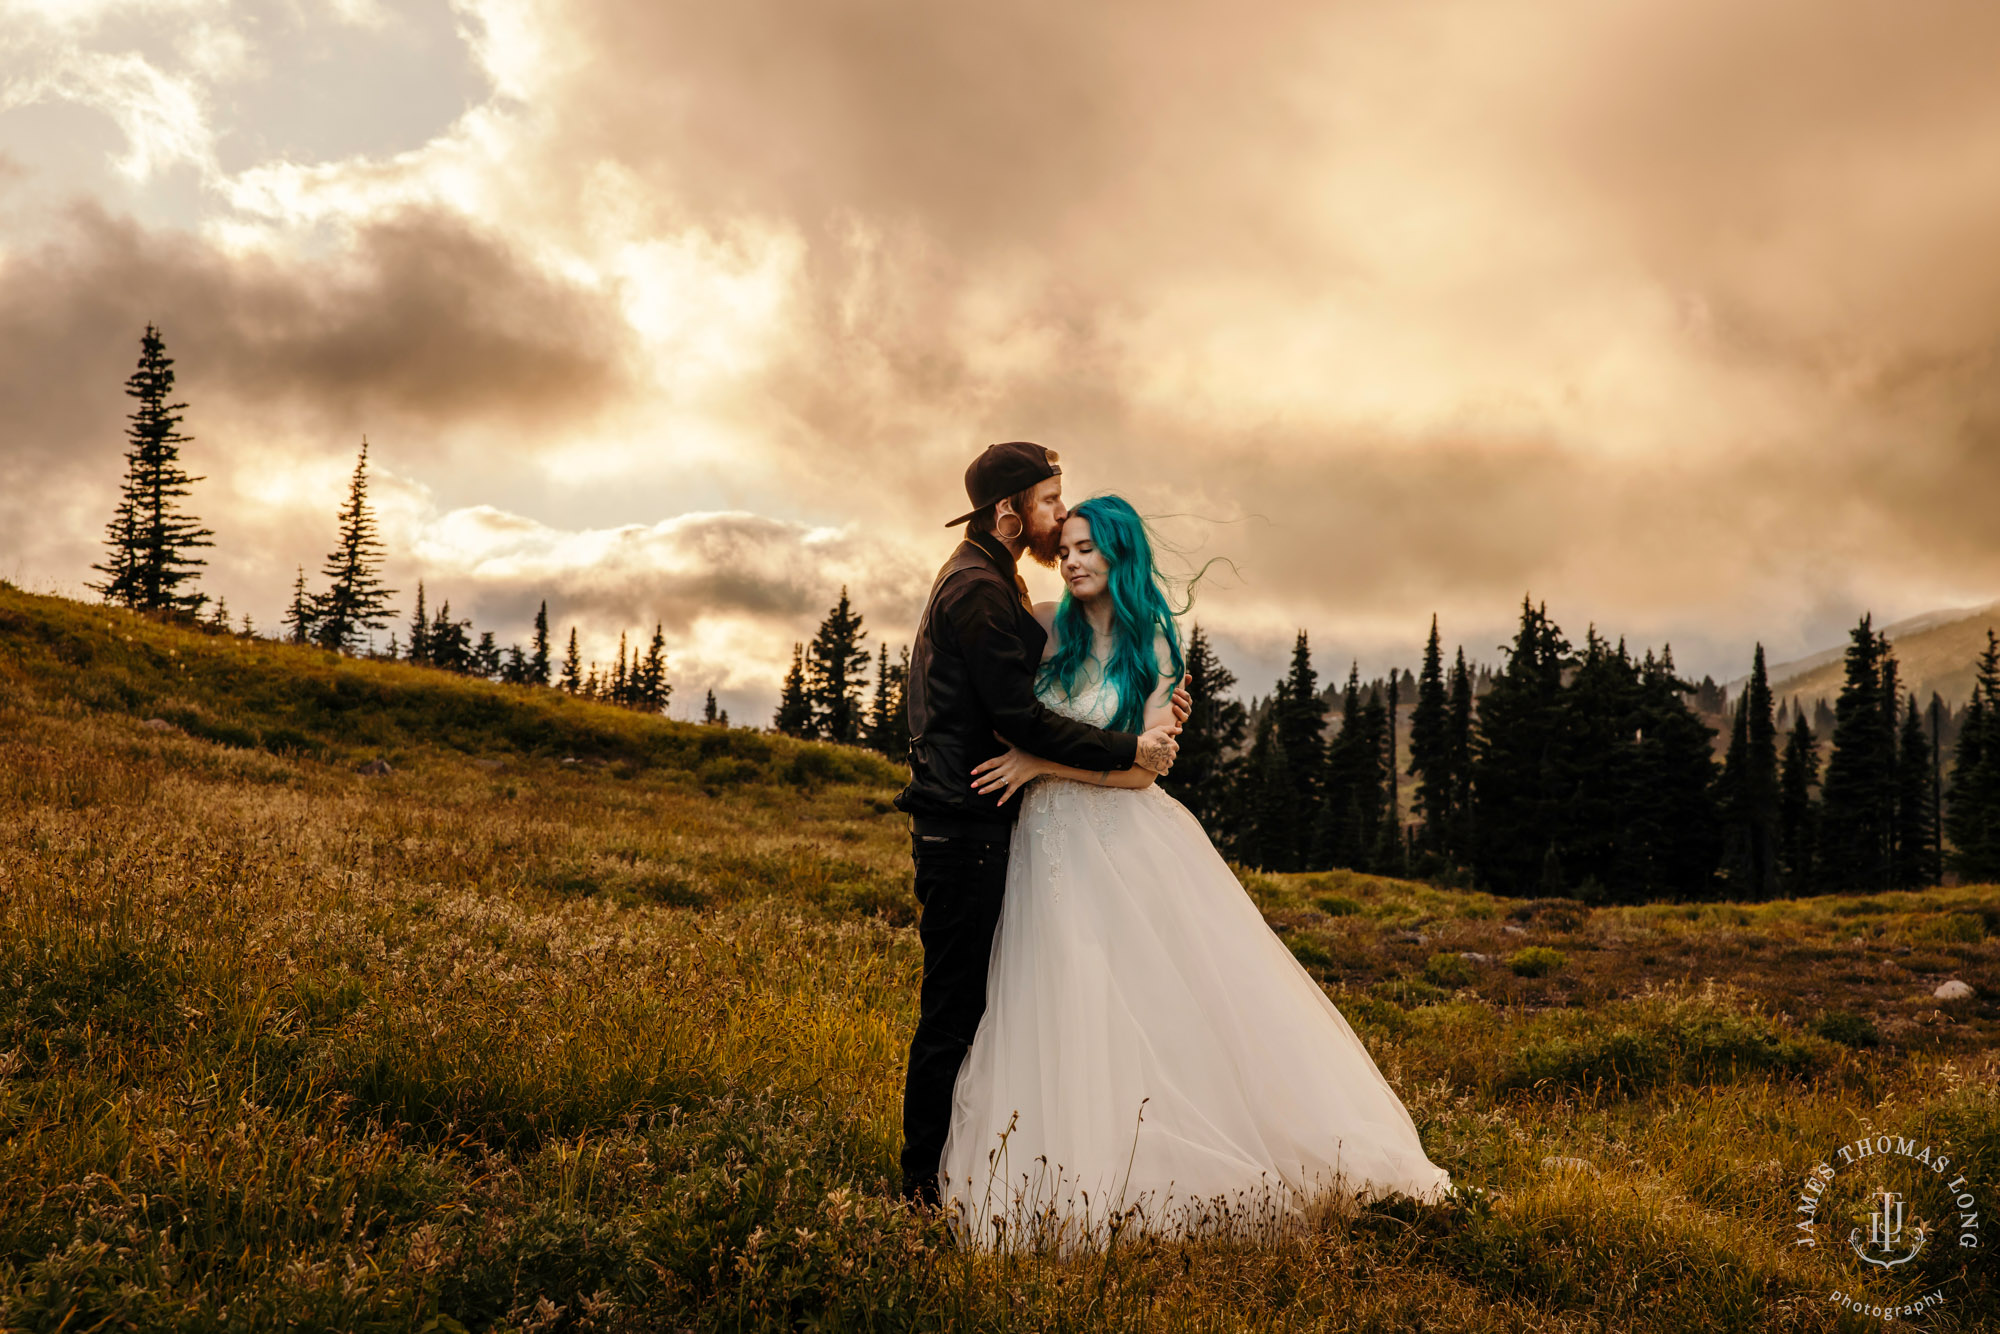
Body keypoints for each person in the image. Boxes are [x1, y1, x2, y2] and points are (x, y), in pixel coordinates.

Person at [940, 494, 1456, 1249]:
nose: (1076, 559)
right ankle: (1064, 1170)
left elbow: (1144, 773)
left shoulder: (1154, 648)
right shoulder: (1045, 625)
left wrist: (1036, 762)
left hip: (1118, 841)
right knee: (1055, 1001)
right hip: (1040, 847)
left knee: (1150, 1004)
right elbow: (1002, 699)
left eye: (1092, 548)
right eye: (1070, 546)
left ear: (1121, 556)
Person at [893, 442, 1190, 1208]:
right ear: (1009, 515)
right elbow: (1020, 717)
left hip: (1010, 828)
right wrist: (1129, 744)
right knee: (959, 1008)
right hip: (967, 826)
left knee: (1014, 1001)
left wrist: (1155, 711)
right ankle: (925, 1183)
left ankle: (992, 1162)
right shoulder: (982, 592)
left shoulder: (1001, 585)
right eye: (1053, 503)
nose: (1061, 521)